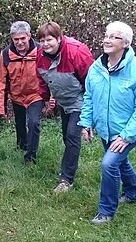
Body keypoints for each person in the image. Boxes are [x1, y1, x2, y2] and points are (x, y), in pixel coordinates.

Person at [78, 21, 136, 224]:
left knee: (109, 164)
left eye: (114, 37)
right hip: (105, 130)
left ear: (126, 44)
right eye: (106, 35)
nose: (107, 40)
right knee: (120, 162)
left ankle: (106, 211)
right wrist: (86, 123)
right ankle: (133, 193)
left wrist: (126, 136)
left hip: (127, 131)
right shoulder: (96, 69)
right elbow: (89, 97)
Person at [36, 21, 95, 193]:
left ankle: (66, 179)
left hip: (80, 99)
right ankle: (70, 165)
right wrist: (46, 98)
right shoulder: (40, 55)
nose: (45, 44)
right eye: (42, 40)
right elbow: (41, 78)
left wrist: (89, 115)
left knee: (71, 135)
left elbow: (93, 82)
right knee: (66, 136)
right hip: (63, 100)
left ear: (59, 38)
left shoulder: (77, 52)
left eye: (49, 40)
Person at [0, 21, 44, 164]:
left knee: (34, 123)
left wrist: (51, 97)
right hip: (17, 96)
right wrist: (1, 108)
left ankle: (30, 157)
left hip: (36, 95)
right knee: (20, 124)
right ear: (12, 38)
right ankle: (22, 146)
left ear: (29, 36)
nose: (20, 42)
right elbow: (1, 82)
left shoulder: (41, 51)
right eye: (16, 39)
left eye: (23, 38)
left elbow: (49, 75)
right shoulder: (6, 54)